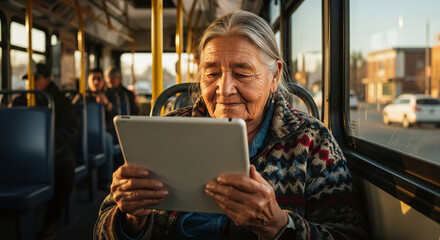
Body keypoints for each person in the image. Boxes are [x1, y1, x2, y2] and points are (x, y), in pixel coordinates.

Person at [94, 11, 368, 240]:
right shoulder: (167, 130)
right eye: (212, 73)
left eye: (242, 73)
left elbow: (347, 234)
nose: (224, 89)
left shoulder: (311, 142)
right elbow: (101, 229)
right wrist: (130, 218)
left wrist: (278, 225)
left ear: (274, 77)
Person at [14, 63, 80, 239]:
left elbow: (71, 131)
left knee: (64, 168)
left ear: (48, 79)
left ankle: (52, 218)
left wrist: (45, 142)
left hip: (55, 151)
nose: (31, 83)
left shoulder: (61, 102)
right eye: (29, 80)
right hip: (22, 152)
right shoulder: (20, 100)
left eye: (36, 79)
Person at [87, 68, 119, 187]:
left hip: (105, 131)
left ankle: (105, 178)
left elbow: (117, 114)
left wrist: (107, 104)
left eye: (99, 79)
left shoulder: (111, 95)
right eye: (93, 79)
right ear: (88, 81)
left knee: (106, 140)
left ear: (103, 81)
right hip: (86, 132)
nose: (96, 82)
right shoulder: (83, 96)